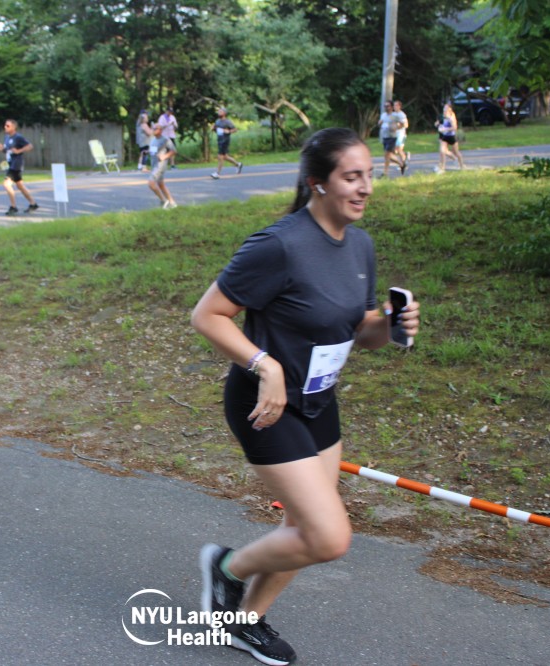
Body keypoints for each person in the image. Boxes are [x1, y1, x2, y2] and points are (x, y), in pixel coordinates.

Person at [191, 127, 420, 665]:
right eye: (352, 177)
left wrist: (390, 323)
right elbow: (207, 315)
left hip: (318, 399)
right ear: (318, 183)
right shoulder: (280, 245)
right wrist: (264, 363)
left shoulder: (359, 244)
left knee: (301, 527)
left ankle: (243, 621)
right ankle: (225, 568)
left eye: (369, 175)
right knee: (328, 536)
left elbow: (358, 330)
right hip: (265, 404)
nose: (366, 187)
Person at [0, 119, 38, 215]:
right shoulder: (7, 137)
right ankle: (33, 204)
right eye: (5, 125)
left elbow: (30, 146)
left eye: (8, 126)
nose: (5, 127)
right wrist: (1, 149)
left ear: (14, 127)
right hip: (10, 164)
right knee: (20, 186)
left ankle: (13, 207)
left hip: (16, 164)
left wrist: (19, 151)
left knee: (6, 184)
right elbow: (8, 151)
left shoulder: (18, 137)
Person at [147, 123, 177, 209]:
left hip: (160, 165)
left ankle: (163, 201)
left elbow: (173, 151)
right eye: (152, 128)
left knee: (151, 183)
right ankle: (172, 203)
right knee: (161, 184)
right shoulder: (153, 140)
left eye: (155, 129)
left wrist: (165, 156)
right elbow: (153, 151)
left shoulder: (165, 140)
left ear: (160, 130)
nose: (153, 130)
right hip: (154, 165)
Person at [211, 107, 244, 179]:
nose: (219, 112)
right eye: (219, 111)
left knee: (220, 156)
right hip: (219, 140)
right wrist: (213, 128)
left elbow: (235, 129)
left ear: (224, 113)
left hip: (225, 140)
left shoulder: (227, 122)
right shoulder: (217, 121)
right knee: (225, 156)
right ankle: (238, 164)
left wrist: (229, 131)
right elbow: (217, 130)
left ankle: (217, 173)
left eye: (220, 111)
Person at [434, 103, 465, 173]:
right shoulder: (443, 115)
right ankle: (442, 168)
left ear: (450, 109)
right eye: (444, 108)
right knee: (442, 151)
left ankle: (462, 166)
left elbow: (454, 128)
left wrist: (445, 129)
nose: (444, 109)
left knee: (456, 152)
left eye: (446, 108)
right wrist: (438, 125)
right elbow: (438, 123)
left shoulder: (451, 116)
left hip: (451, 137)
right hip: (444, 137)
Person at [378, 101, 405, 178]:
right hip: (385, 136)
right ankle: (401, 164)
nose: (386, 108)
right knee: (388, 156)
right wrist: (379, 123)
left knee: (387, 154)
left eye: (388, 106)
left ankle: (385, 173)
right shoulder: (383, 115)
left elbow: (403, 124)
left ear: (391, 107)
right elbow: (380, 123)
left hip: (392, 137)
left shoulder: (395, 115)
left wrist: (396, 128)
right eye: (385, 106)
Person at [392, 100, 411, 174]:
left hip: (401, 134)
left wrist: (399, 126)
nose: (394, 107)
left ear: (399, 106)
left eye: (396, 105)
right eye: (394, 105)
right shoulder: (393, 114)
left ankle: (403, 164)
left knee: (399, 149)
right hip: (394, 134)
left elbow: (406, 125)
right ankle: (405, 155)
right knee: (395, 151)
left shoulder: (402, 115)